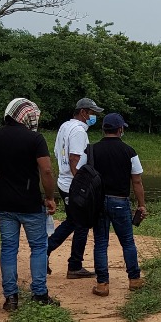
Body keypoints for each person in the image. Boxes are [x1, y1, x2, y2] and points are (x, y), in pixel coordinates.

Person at [0, 98, 60, 310]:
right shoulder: (35, 139)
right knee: (38, 247)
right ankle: (39, 293)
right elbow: (46, 170)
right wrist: (50, 197)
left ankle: (11, 298)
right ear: (28, 117)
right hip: (30, 203)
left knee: (9, 248)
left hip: (4, 203)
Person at [85, 113, 147, 297]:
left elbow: (83, 176)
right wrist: (141, 205)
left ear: (103, 129)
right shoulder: (129, 151)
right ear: (120, 129)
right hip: (120, 201)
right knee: (127, 241)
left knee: (100, 243)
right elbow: (137, 181)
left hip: (98, 202)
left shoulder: (91, 150)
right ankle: (134, 279)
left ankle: (102, 284)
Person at [46, 97, 104, 279]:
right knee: (82, 224)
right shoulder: (79, 131)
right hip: (73, 184)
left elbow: (58, 153)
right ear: (83, 112)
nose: (93, 117)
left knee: (73, 221)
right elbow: (74, 158)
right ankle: (74, 265)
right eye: (92, 113)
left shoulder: (65, 126)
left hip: (64, 181)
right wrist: (81, 184)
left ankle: (46, 251)